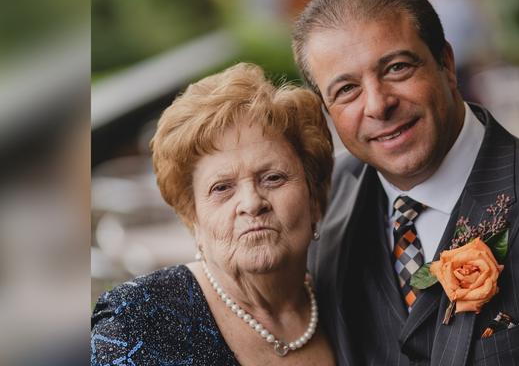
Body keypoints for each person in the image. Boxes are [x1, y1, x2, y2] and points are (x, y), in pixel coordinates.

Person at [292, 0, 519, 365]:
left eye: (396, 68)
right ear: (327, 110)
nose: (378, 105)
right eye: (346, 89)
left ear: (447, 64)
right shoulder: (318, 207)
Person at [91, 63, 336, 366]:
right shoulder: (135, 323)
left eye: (273, 178)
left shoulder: (346, 299)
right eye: (222, 187)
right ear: (192, 218)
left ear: (313, 197)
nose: (252, 202)